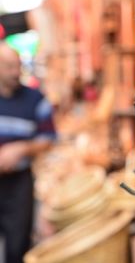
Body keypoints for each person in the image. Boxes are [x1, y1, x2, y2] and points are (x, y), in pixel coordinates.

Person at [0, 43, 56, 263]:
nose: (15, 72)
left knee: (17, 245)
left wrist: (22, 148)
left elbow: (49, 138)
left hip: (19, 184)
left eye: (17, 66)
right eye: (8, 67)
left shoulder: (35, 99)